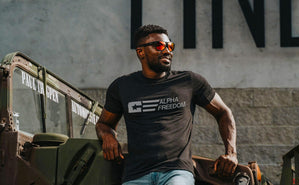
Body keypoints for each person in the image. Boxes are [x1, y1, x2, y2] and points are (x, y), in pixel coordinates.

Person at [96, 24, 238, 185]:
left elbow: (223, 112)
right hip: (135, 175)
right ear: (140, 52)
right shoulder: (122, 86)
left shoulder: (189, 81)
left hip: (176, 172)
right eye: (159, 46)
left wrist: (231, 153)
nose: (167, 50)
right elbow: (104, 124)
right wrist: (108, 136)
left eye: (170, 46)